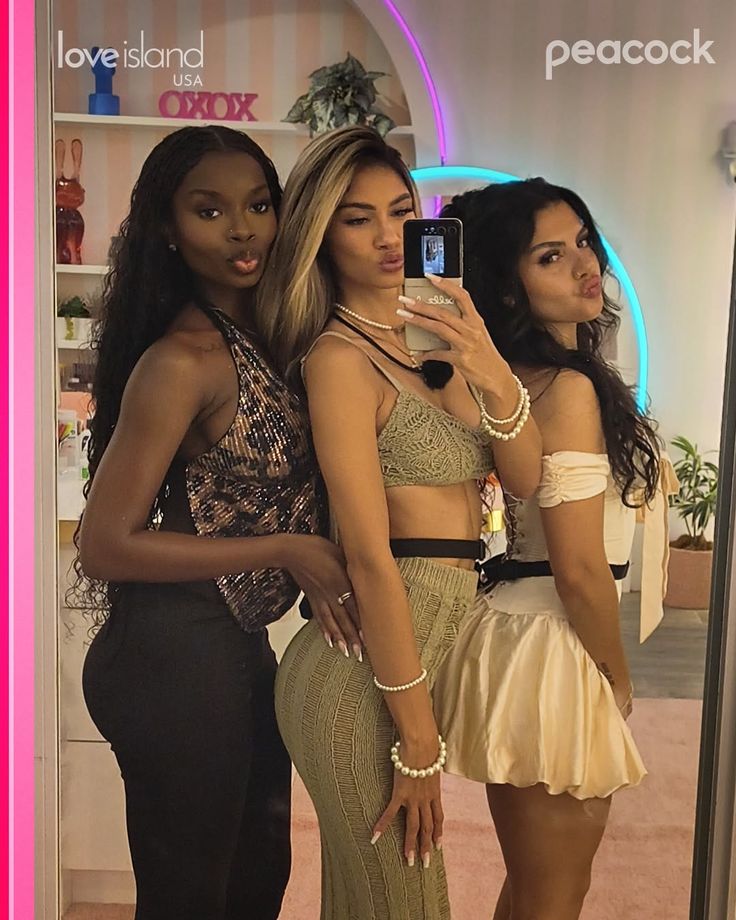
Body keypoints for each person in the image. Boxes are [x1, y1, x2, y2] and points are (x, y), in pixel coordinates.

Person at [255, 126, 542, 919]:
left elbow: (524, 481)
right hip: (357, 681)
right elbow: (370, 559)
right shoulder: (338, 361)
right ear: (322, 234)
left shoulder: (442, 338)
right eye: (358, 219)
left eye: (400, 212)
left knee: (369, 904)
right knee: (404, 902)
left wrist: (487, 361)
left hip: (410, 659)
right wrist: (418, 740)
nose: (388, 236)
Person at [75, 125, 360, 920]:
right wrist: (287, 548)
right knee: (191, 901)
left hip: (234, 649)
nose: (242, 230)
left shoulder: (280, 337)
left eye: (259, 205)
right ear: (168, 229)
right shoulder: (183, 360)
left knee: (256, 886)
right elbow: (103, 544)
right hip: (169, 657)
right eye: (209, 211)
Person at [432, 178, 674, 920]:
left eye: (583, 242)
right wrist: (616, 677)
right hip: (552, 641)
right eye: (549, 256)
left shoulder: (530, 380)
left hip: (525, 633)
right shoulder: (565, 389)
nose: (583, 264)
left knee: (538, 889)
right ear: (508, 286)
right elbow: (579, 569)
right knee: (553, 896)